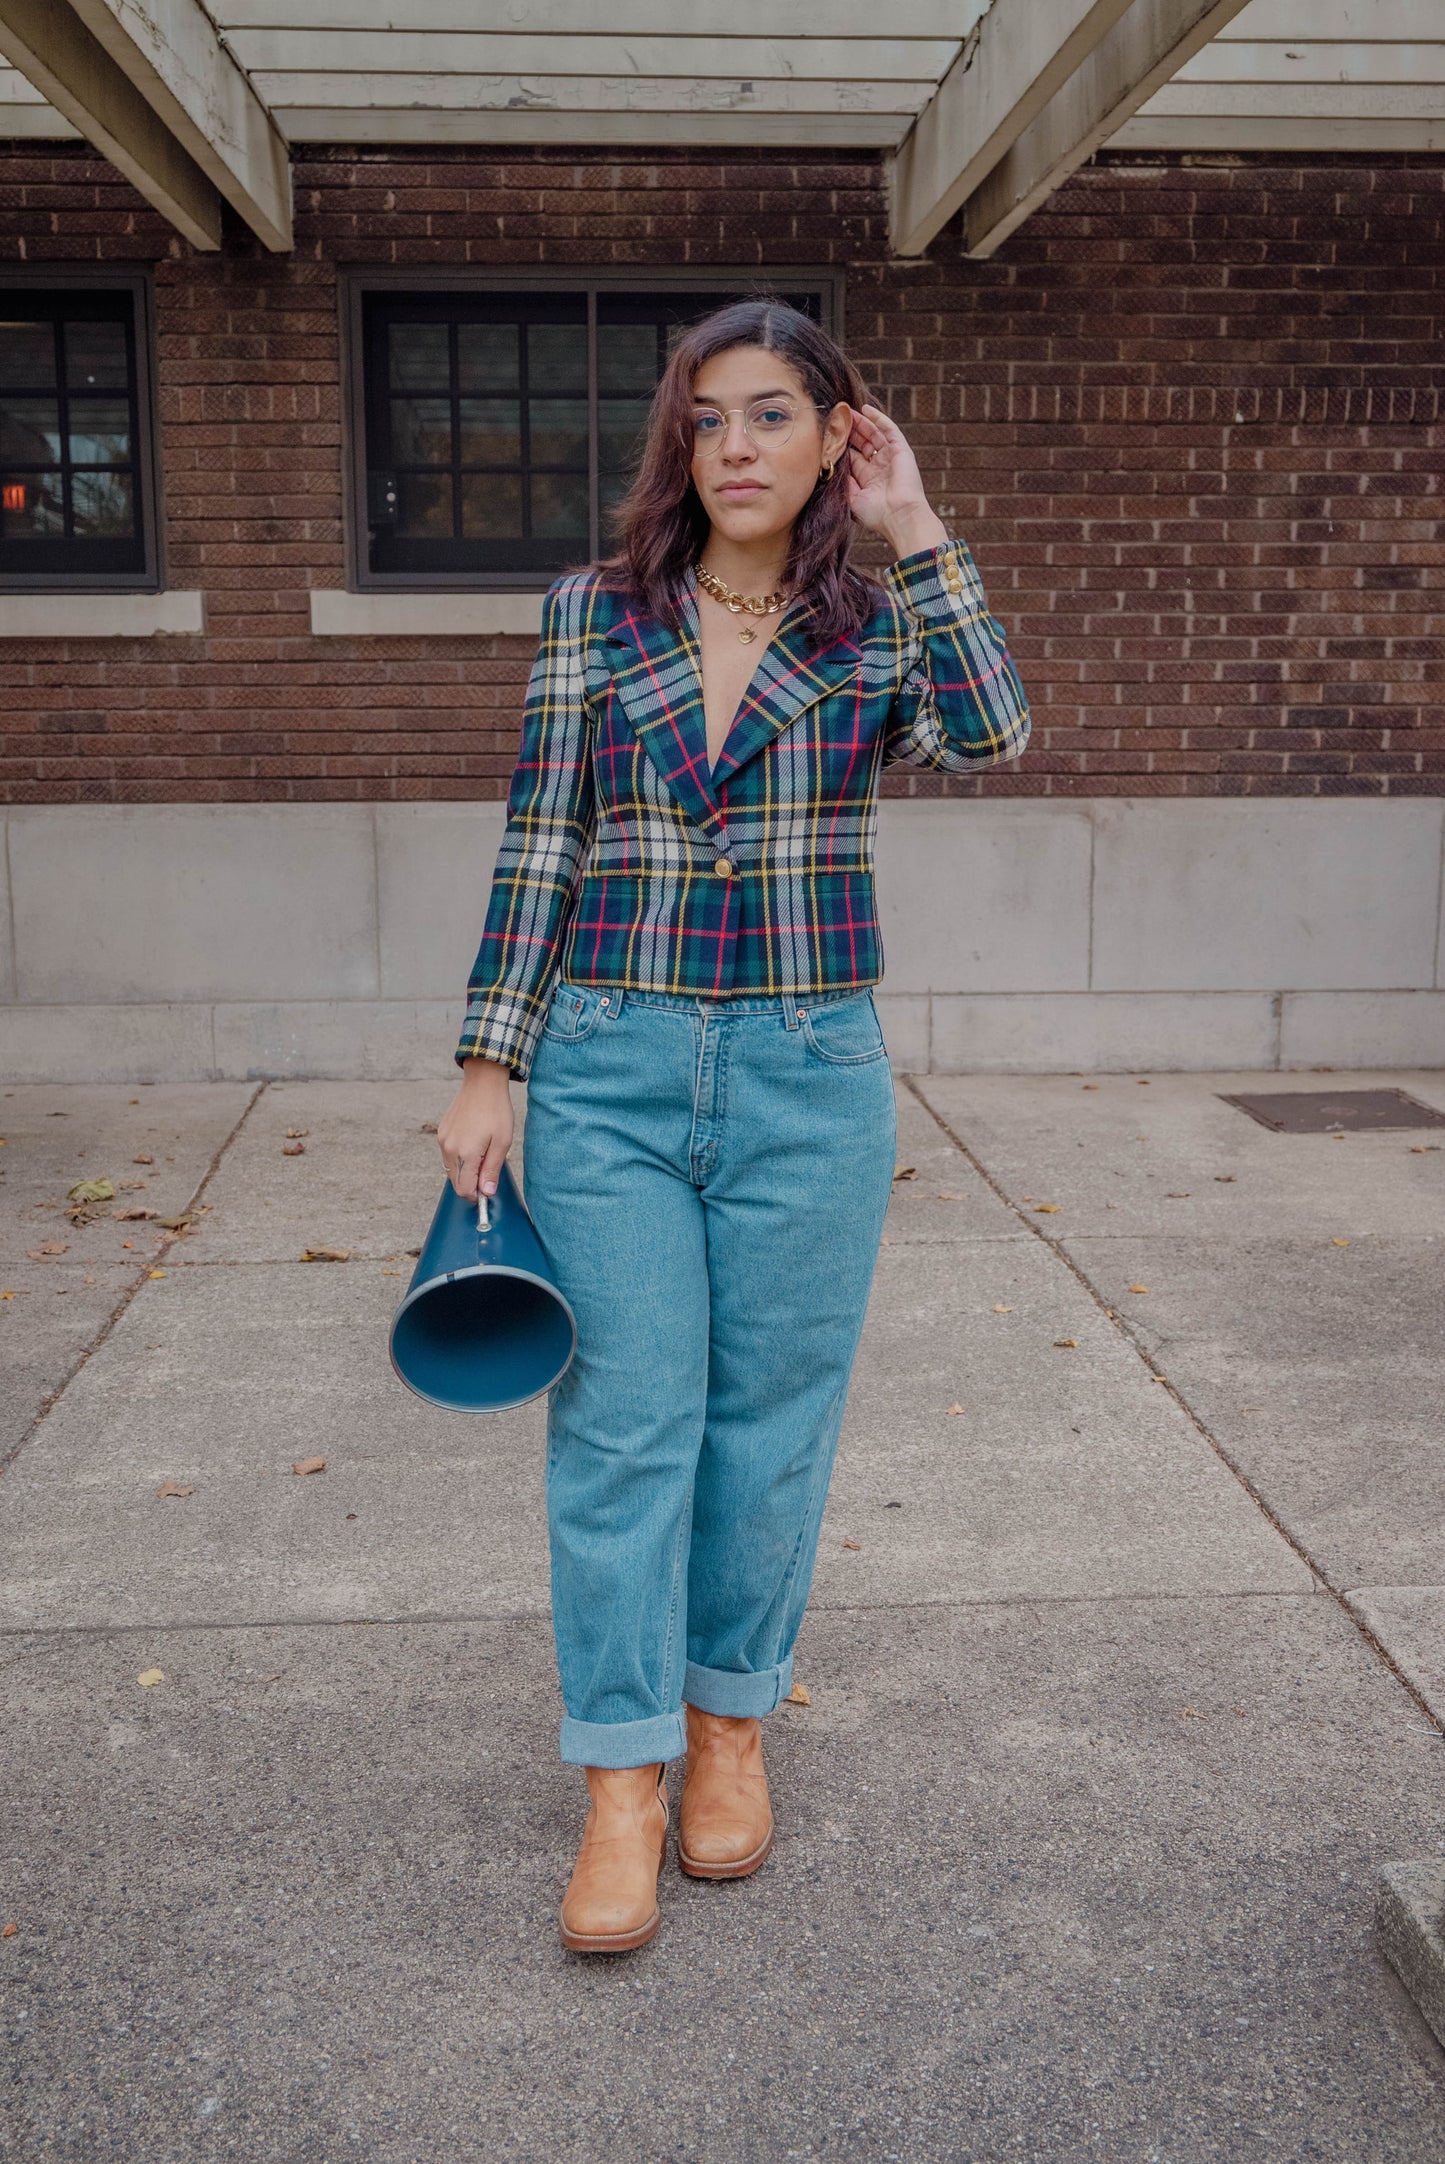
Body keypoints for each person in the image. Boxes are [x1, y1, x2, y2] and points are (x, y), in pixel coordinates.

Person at [437, 298, 1029, 1954]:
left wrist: (918, 528)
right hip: (611, 1068)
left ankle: (726, 1730)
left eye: (773, 414)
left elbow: (991, 733)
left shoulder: (875, 621)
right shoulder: (593, 615)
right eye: (709, 419)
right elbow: (538, 840)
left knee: (769, 1421)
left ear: (834, 436)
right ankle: (619, 1774)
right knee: (625, 1428)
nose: (737, 447)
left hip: (806, 1068)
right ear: (675, 444)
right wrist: (490, 1059)